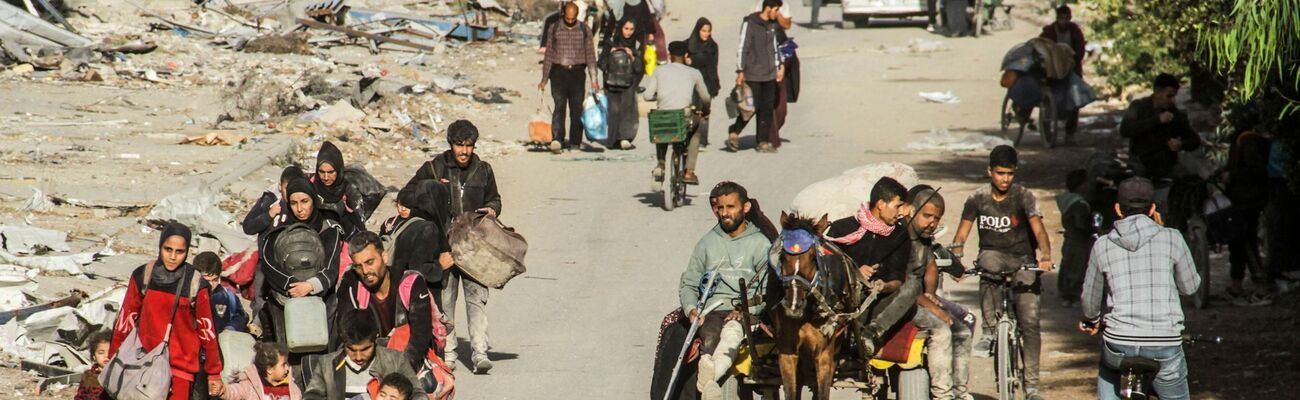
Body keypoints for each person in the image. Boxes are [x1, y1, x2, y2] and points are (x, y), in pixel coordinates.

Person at [1080, 177, 1201, 400]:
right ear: (1153, 208)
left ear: (1117, 209)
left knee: (1109, 368)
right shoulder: (1172, 238)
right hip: (1164, 343)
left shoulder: (1102, 244)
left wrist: (1092, 319)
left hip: (1119, 343)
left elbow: (1090, 299)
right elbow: (1191, 287)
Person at [398, 119, 502, 373]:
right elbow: (407, 193)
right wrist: (412, 206)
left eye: (469, 146)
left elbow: (495, 199)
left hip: (474, 248)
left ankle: (479, 353)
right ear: (450, 144)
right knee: (445, 302)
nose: (464, 151)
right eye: (459, 145)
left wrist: (492, 209)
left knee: (476, 299)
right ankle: (449, 353)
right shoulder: (434, 168)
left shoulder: (484, 170)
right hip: (442, 248)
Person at [950, 145, 1053, 400]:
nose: (1004, 178)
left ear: (1015, 173)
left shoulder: (1024, 197)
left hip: (1023, 259)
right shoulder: (977, 198)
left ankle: (1031, 387)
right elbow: (962, 232)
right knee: (987, 263)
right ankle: (988, 332)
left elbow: (1038, 230)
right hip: (993, 256)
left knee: (1029, 322)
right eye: (999, 173)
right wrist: (957, 255)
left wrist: (1046, 256)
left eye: (1009, 173)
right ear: (989, 171)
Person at [110, 222, 224, 399]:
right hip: (143, 364)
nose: (172, 256)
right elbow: (125, 320)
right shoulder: (143, 276)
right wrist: (113, 358)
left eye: (179, 252)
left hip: (180, 369)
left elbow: (207, 331)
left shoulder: (195, 284)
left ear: (187, 252)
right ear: (160, 247)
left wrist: (214, 373)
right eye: (167, 249)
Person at [679, 182, 771, 399]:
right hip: (713, 310)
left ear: (745, 208)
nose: (725, 213)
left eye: (731, 207)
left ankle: (710, 379)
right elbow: (689, 284)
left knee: (732, 330)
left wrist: (748, 309)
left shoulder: (760, 244)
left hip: (748, 311)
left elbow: (769, 291)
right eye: (720, 208)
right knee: (709, 338)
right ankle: (707, 386)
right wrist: (692, 309)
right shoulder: (707, 243)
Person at [823, 177, 911, 356]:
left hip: (876, 304)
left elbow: (897, 277)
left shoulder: (901, 235)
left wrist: (883, 286)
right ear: (880, 204)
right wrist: (855, 272)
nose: (900, 212)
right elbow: (826, 269)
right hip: (840, 303)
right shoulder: (841, 229)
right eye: (897, 206)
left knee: (909, 293)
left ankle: (869, 336)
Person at [255, 177, 344, 354]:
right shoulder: (278, 228)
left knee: (320, 356)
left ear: (313, 200)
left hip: (322, 304)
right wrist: (292, 286)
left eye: (305, 201)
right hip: (285, 304)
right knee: (289, 356)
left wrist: (310, 286)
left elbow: (331, 267)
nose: (300, 209)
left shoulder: (329, 228)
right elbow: (267, 262)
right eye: (294, 203)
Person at [907, 187, 976, 400]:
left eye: (936, 219)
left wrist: (930, 294)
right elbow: (905, 286)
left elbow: (937, 267)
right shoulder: (901, 237)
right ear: (911, 211)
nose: (932, 223)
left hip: (921, 299)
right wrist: (933, 305)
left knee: (963, 326)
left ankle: (959, 392)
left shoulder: (926, 241)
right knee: (950, 328)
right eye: (927, 216)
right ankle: (946, 394)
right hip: (904, 301)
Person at [336, 232, 439, 370]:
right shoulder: (351, 284)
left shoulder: (410, 283)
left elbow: (421, 334)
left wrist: (401, 368)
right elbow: (347, 328)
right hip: (371, 362)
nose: (365, 271)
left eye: (370, 262)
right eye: (358, 266)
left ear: (384, 257)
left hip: (411, 360)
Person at [1119, 73, 1202, 211]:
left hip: (1165, 168)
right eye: (1169, 96)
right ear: (1157, 91)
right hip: (1140, 165)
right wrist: (1156, 120)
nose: (1171, 100)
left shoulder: (1173, 114)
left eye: (1174, 96)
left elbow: (1195, 140)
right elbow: (1125, 130)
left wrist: (1181, 144)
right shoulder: (1139, 107)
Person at [303, 309, 425, 400]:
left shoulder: (396, 360)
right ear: (343, 341)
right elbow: (311, 396)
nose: (358, 357)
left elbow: (418, 394)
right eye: (351, 349)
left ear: (375, 339)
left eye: (365, 349)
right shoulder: (327, 364)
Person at [640, 41, 711, 185]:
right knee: (696, 130)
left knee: (661, 128)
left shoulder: (659, 70)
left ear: (668, 55)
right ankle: (689, 171)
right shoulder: (694, 73)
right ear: (685, 55)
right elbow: (706, 97)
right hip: (684, 116)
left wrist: (658, 96)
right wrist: (706, 110)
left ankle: (661, 163)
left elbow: (647, 96)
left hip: (663, 116)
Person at [538, 1, 599, 153]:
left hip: (578, 73)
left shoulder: (585, 30)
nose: (570, 21)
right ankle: (557, 139)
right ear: (564, 14)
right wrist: (544, 79)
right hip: (558, 73)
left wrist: (594, 79)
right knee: (559, 107)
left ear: (577, 16)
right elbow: (549, 55)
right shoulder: (554, 28)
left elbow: (591, 55)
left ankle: (575, 142)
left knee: (576, 109)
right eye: (568, 18)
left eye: (573, 19)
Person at [1224, 121, 1274, 305]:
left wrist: (1231, 176)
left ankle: (1260, 287)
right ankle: (1237, 287)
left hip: (1247, 198)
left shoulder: (1247, 140)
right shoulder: (1251, 139)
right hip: (1248, 197)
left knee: (1245, 241)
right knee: (1240, 241)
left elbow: (1255, 170)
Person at [728, 0, 785, 153]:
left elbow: (775, 47)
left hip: (770, 74)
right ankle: (734, 132)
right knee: (750, 108)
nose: (777, 13)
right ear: (768, 8)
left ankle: (762, 142)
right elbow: (742, 47)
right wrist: (740, 70)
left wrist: (779, 65)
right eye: (776, 9)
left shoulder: (772, 25)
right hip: (753, 74)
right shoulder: (750, 23)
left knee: (766, 109)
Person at [1039, 5, 1086, 142]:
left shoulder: (1075, 31)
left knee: (1075, 101)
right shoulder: (1049, 31)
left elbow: (1080, 51)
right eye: (1061, 18)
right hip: (1052, 72)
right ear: (1057, 18)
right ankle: (1047, 129)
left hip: (1071, 70)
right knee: (1048, 100)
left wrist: (1071, 60)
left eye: (1066, 18)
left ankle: (1069, 133)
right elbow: (1042, 46)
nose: (1063, 21)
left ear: (1070, 18)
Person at [599, 17, 646, 150]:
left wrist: (632, 56)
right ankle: (613, 140)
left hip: (629, 82)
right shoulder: (611, 42)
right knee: (613, 110)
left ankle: (625, 138)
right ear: (621, 28)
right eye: (626, 29)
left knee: (627, 109)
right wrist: (611, 56)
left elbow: (640, 67)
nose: (629, 32)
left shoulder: (637, 44)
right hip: (611, 82)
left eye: (632, 29)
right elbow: (601, 63)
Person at [311, 141, 365, 238]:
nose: (326, 177)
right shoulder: (310, 186)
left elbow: (359, 223)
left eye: (331, 172)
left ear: (339, 170)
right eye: (321, 172)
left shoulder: (349, 190)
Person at [1056, 169, 1094, 308]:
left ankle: (1065, 293)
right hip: (1079, 241)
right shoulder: (1079, 204)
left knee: (1067, 265)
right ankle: (1072, 296)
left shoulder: (1067, 200)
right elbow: (1081, 224)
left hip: (1069, 239)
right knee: (1077, 268)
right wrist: (1092, 228)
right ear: (1080, 185)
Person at [219, 342, 302, 400]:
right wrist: (223, 390)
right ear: (270, 369)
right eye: (283, 365)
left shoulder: (290, 386)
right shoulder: (251, 386)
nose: (287, 368)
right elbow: (235, 392)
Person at [243, 166, 305, 237]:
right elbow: (248, 227)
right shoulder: (270, 201)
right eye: (287, 189)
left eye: (295, 188)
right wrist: (268, 215)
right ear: (280, 187)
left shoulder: (307, 205)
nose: (290, 193)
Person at [195, 251, 250, 333]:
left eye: (215, 280)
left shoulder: (228, 296)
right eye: (206, 281)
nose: (211, 285)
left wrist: (230, 328)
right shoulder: (189, 295)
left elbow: (240, 316)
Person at [686, 17, 720, 149]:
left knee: (704, 112)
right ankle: (690, 138)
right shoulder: (689, 44)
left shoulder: (712, 46)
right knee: (693, 111)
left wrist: (691, 60)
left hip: (707, 82)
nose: (706, 34)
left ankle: (702, 140)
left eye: (708, 31)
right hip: (692, 83)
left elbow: (707, 60)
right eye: (703, 30)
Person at [74, 330, 113, 400]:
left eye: (110, 352)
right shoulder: (88, 376)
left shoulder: (118, 376)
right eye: (101, 353)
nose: (106, 356)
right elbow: (80, 396)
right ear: (94, 356)